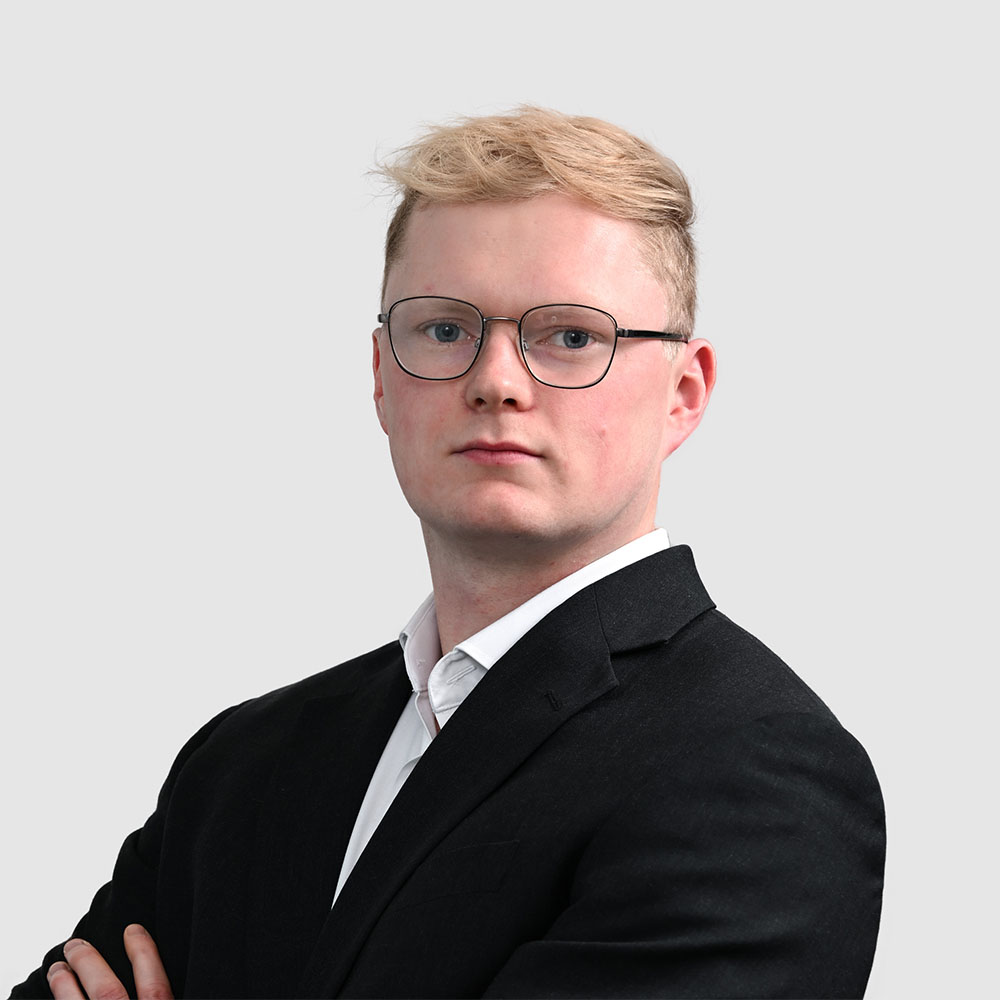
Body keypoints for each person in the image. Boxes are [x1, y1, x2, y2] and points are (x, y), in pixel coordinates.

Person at [11, 107, 885, 1000]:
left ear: (684, 392)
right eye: (442, 330)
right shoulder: (244, 762)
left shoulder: (756, 773)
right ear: (380, 378)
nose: (495, 381)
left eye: (571, 336)